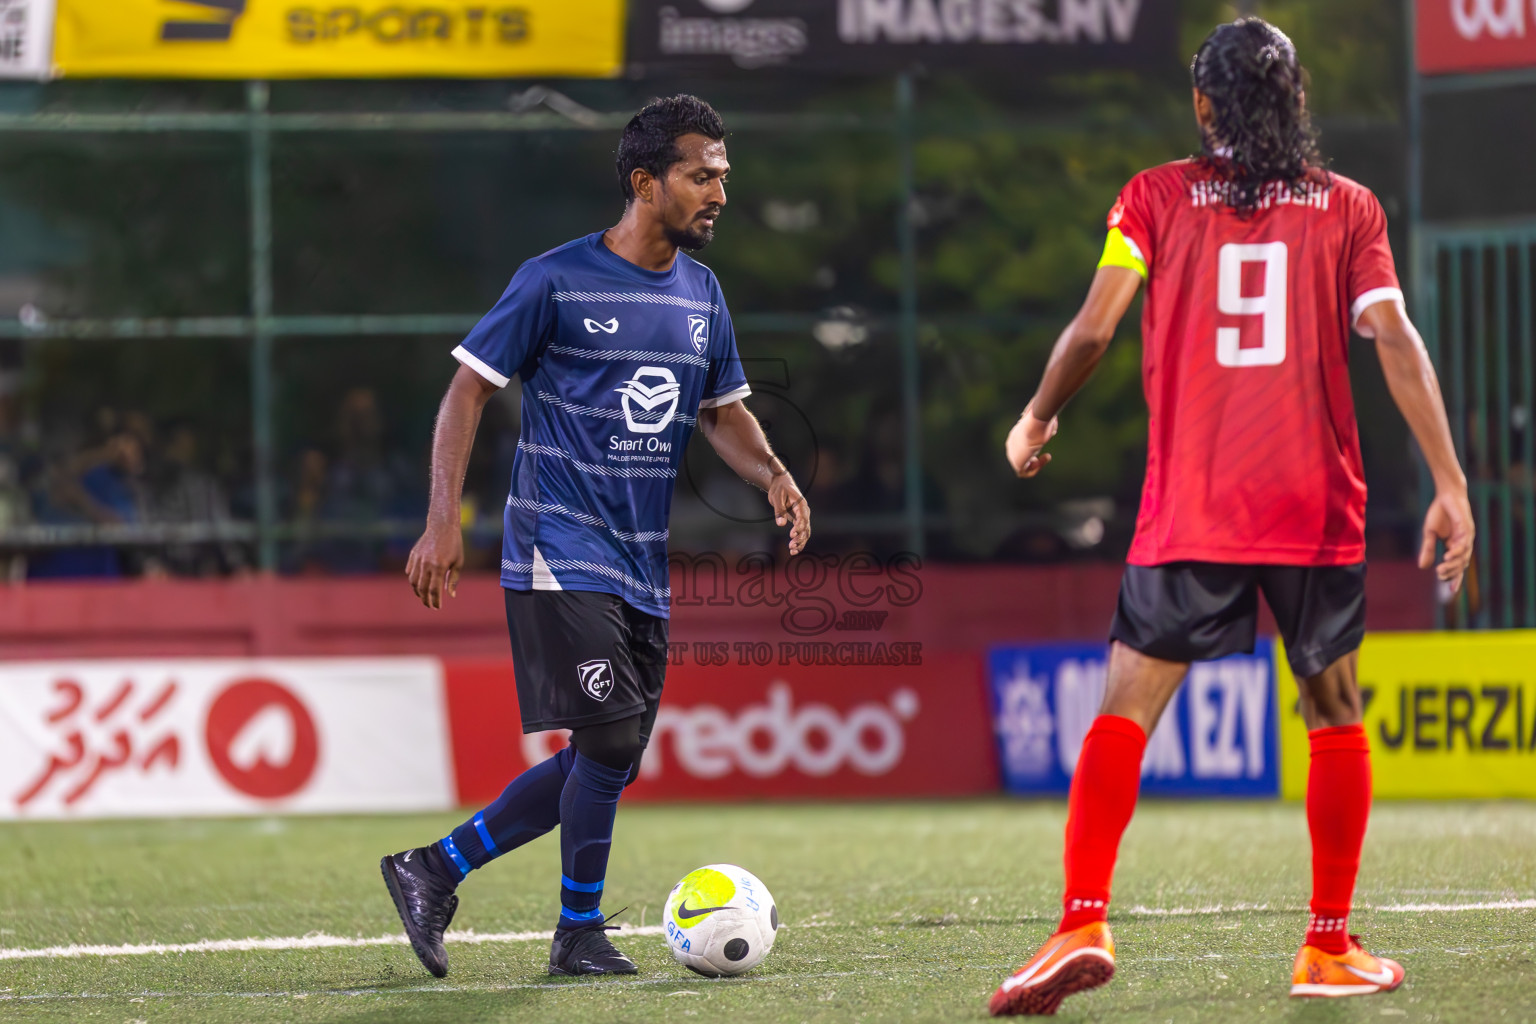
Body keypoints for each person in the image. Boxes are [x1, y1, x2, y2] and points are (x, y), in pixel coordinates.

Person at [988, 18, 1473, 1016]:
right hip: (1315, 504)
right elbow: (1393, 336)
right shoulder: (1350, 208)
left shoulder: (1154, 197)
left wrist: (1038, 417)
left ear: (1202, 106)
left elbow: (1095, 327)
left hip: (1197, 501)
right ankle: (1328, 944)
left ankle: (1082, 918)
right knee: (1334, 710)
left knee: (1126, 703)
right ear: (1298, 102)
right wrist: (1450, 479)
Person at [380, 95, 811, 979]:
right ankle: (576, 932)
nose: (719, 191)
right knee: (611, 744)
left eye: (724, 175)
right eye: (701, 175)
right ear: (646, 184)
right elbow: (467, 390)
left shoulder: (702, 295)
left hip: (639, 565)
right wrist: (440, 521)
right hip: (556, 545)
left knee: (603, 757)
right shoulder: (555, 280)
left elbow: (721, 412)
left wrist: (771, 472)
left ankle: (433, 869)